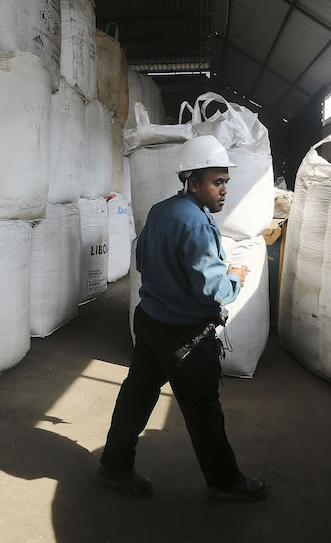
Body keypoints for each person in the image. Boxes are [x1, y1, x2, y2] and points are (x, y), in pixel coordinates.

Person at [97, 135, 267, 501]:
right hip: (184, 337)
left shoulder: (160, 211)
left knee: (137, 396)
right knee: (203, 411)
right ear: (193, 182)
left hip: (151, 323)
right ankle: (224, 482)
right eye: (217, 182)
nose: (223, 190)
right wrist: (235, 276)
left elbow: (142, 262)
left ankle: (114, 467)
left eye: (225, 182)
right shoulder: (197, 226)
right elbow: (214, 290)